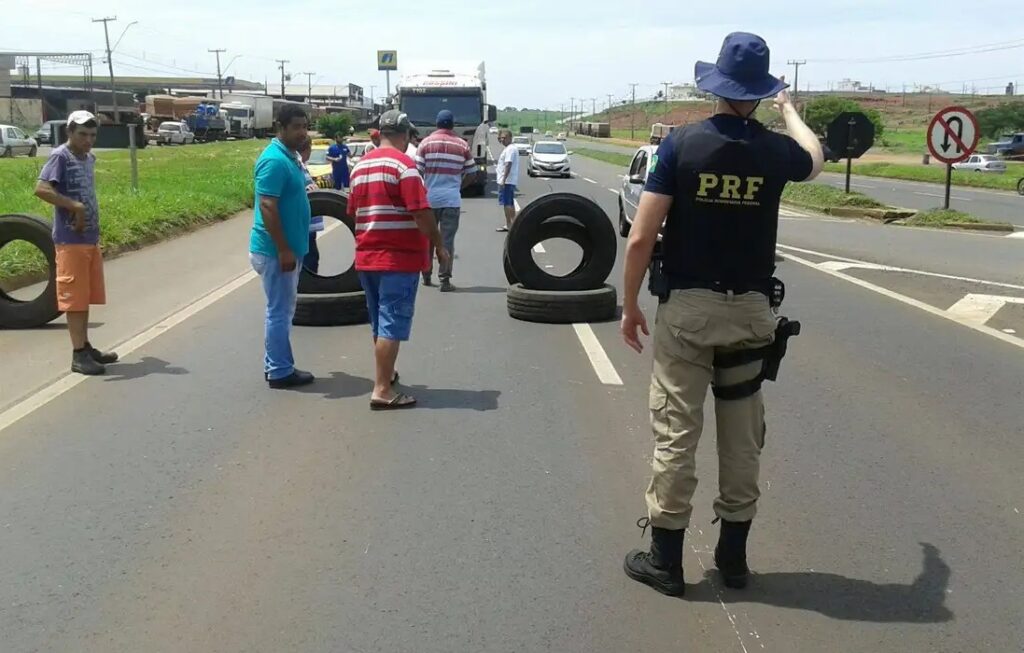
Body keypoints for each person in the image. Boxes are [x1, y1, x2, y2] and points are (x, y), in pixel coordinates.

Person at [620, 32, 824, 596]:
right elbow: (815, 158)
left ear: (714, 85)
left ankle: (666, 561)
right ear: (759, 93)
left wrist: (630, 304)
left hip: (689, 310)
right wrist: (789, 110)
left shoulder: (681, 146)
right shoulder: (774, 151)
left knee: (676, 431)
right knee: (741, 437)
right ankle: (733, 559)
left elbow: (641, 237)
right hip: (753, 313)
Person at [347, 110, 449, 410]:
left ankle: (387, 374)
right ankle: (381, 389)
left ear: (380, 133)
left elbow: (353, 211)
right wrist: (439, 245)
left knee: (379, 320)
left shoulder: (359, 167)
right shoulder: (404, 166)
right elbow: (421, 212)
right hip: (397, 258)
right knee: (392, 321)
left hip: (367, 257)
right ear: (405, 135)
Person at [34, 110, 118, 376]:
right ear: (69, 132)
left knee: (85, 297)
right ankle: (78, 355)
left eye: (92, 135)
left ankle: (85, 346)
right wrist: (75, 207)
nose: (88, 140)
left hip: (89, 238)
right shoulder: (61, 156)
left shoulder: (88, 158)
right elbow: (42, 189)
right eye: (82, 134)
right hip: (70, 240)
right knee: (75, 299)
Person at [249, 104, 314, 389]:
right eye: (296, 127)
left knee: (283, 309)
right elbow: (267, 205)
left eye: (305, 126)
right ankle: (279, 371)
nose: (302, 132)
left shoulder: (290, 157)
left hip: (288, 248)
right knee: (279, 311)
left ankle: (275, 364)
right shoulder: (274, 160)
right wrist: (284, 248)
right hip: (275, 251)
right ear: (281, 128)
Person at [415, 109, 475, 291]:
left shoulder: (425, 143)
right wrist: (458, 187)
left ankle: (426, 275)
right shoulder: (462, 145)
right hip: (451, 200)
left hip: (429, 200)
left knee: (428, 239)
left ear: (437, 124)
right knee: (447, 240)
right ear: (452, 125)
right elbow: (472, 173)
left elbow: (417, 171)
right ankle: (445, 280)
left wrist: (427, 185)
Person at [297, 137, 323, 273]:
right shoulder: (296, 166)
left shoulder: (302, 166)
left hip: (309, 227)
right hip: (303, 228)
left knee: (313, 259)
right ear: (307, 149)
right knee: (308, 263)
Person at [494, 129, 519, 232]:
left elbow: (508, 164)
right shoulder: (510, 148)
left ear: (510, 138)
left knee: (507, 204)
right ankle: (512, 224)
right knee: (509, 203)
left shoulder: (510, 149)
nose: (502, 140)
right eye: (501, 138)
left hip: (507, 181)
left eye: (505, 138)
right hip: (508, 180)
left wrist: (503, 179)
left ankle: (510, 225)